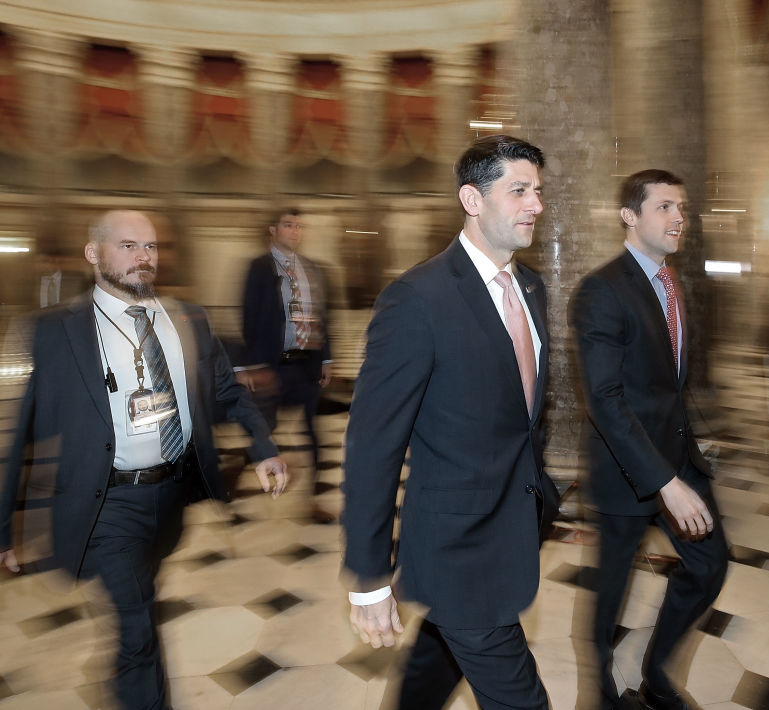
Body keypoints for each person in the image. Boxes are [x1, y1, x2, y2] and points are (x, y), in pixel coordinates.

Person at [0, 210, 289, 710]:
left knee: (136, 612)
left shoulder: (189, 319)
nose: (144, 258)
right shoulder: (55, 331)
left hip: (172, 496)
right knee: (138, 628)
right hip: (106, 503)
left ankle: (122, 677)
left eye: (151, 247)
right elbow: (20, 429)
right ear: (94, 254)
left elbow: (229, 391)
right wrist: (4, 527)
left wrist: (263, 449)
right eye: (129, 246)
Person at [342, 135, 557, 710]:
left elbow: (523, 413)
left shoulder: (530, 286)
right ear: (472, 198)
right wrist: (369, 577)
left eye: (537, 190)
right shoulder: (417, 299)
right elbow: (373, 446)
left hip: (509, 526)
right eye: (518, 190)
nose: (535, 203)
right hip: (457, 547)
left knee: (433, 668)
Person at [569, 170, 728, 710]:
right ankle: (599, 694)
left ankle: (656, 676)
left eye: (681, 207)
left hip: (677, 459)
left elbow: (667, 379)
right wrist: (665, 483)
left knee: (709, 565)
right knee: (610, 590)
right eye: (663, 207)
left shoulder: (671, 281)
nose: (678, 217)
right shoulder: (602, 289)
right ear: (629, 216)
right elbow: (604, 398)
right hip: (626, 472)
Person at [237, 208, 333, 523]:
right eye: (288, 225)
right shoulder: (259, 268)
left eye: (298, 226)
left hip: (304, 367)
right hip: (272, 367)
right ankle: (230, 479)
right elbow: (249, 316)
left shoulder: (312, 269)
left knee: (312, 435)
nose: (294, 231)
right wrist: (254, 364)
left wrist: (327, 358)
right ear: (273, 229)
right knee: (262, 430)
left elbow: (322, 316)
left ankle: (312, 502)